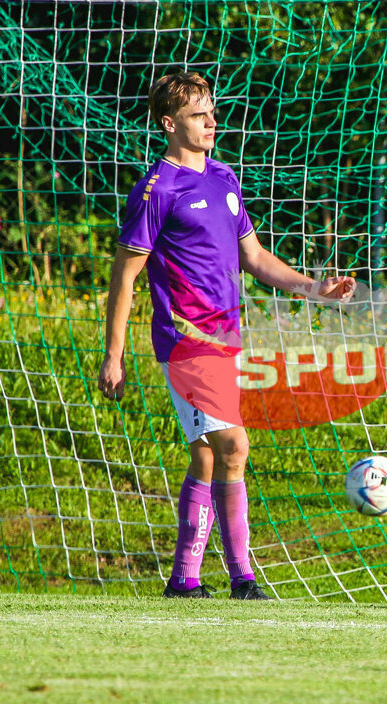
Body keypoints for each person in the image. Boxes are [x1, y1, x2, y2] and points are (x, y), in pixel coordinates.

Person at [98, 71, 355, 600]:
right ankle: (243, 577)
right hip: (186, 340)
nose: (212, 121)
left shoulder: (224, 178)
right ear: (170, 124)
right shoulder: (157, 189)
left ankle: (185, 580)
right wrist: (114, 355)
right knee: (234, 444)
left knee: (209, 455)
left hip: (226, 338)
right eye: (198, 114)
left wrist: (316, 288)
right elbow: (125, 276)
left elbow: (255, 258)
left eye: (212, 111)